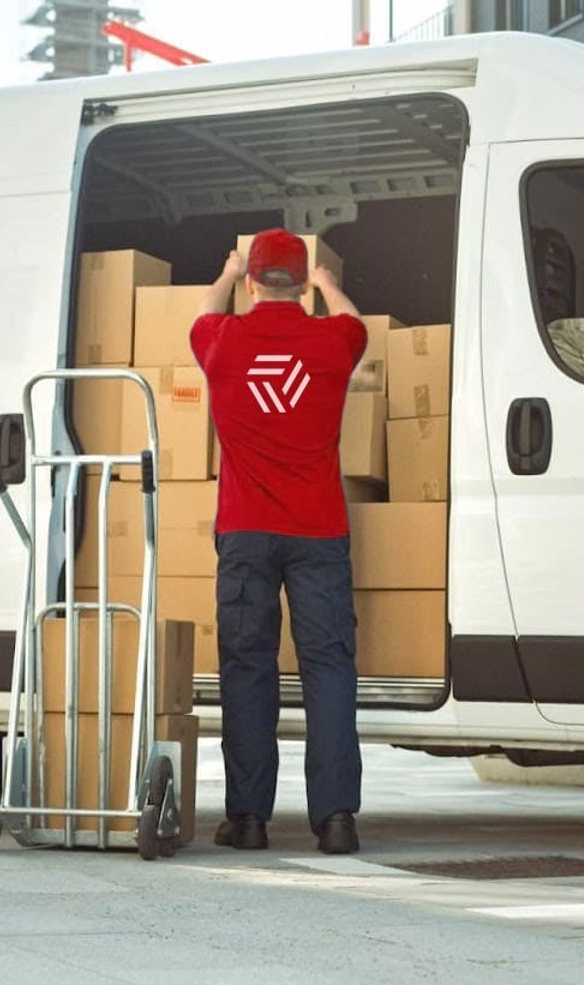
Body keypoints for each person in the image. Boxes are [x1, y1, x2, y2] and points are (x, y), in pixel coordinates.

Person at [189, 229, 367, 855]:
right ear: (301, 280)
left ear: (253, 279)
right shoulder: (332, 341)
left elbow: (204, 312)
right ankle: (337, 819)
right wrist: (329, 285)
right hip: (318, 531)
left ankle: (248, 820)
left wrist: (225, 272)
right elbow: (354, 320)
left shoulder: (222, 340)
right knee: (328, 671)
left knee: (247, 670)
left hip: (246, 530)